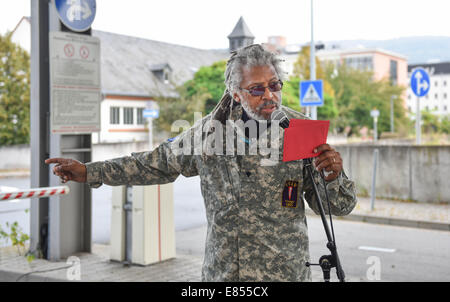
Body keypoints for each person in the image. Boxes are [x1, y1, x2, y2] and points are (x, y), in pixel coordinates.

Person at [46, 44, 357, 282]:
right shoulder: (209, 132)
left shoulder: (300, 130)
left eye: (274, 85)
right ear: (236, 94)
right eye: (257, 89)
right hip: (223, 275)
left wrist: (334, 176)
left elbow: (337, 207)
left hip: (284, 273)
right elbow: (155, 163)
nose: (270, 96)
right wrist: (89, 171)